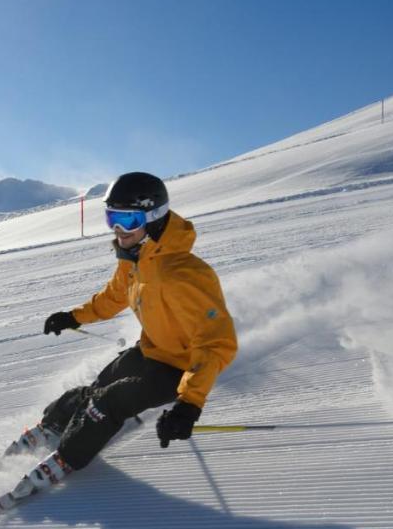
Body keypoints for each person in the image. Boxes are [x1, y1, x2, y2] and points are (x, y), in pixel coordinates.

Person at [27, 172, 237, 485]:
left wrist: (189, 405)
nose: (118, 230)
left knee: (108, 401)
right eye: (112, 218)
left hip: (179, 370)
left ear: (153, 219)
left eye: (128, 220)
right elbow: (114, 296)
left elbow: (216, 344)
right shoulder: (136, 257)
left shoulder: (186, 274)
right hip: (150, 350)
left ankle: (66, 458)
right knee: (96, 387)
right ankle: (52, 426)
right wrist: (74, 317)